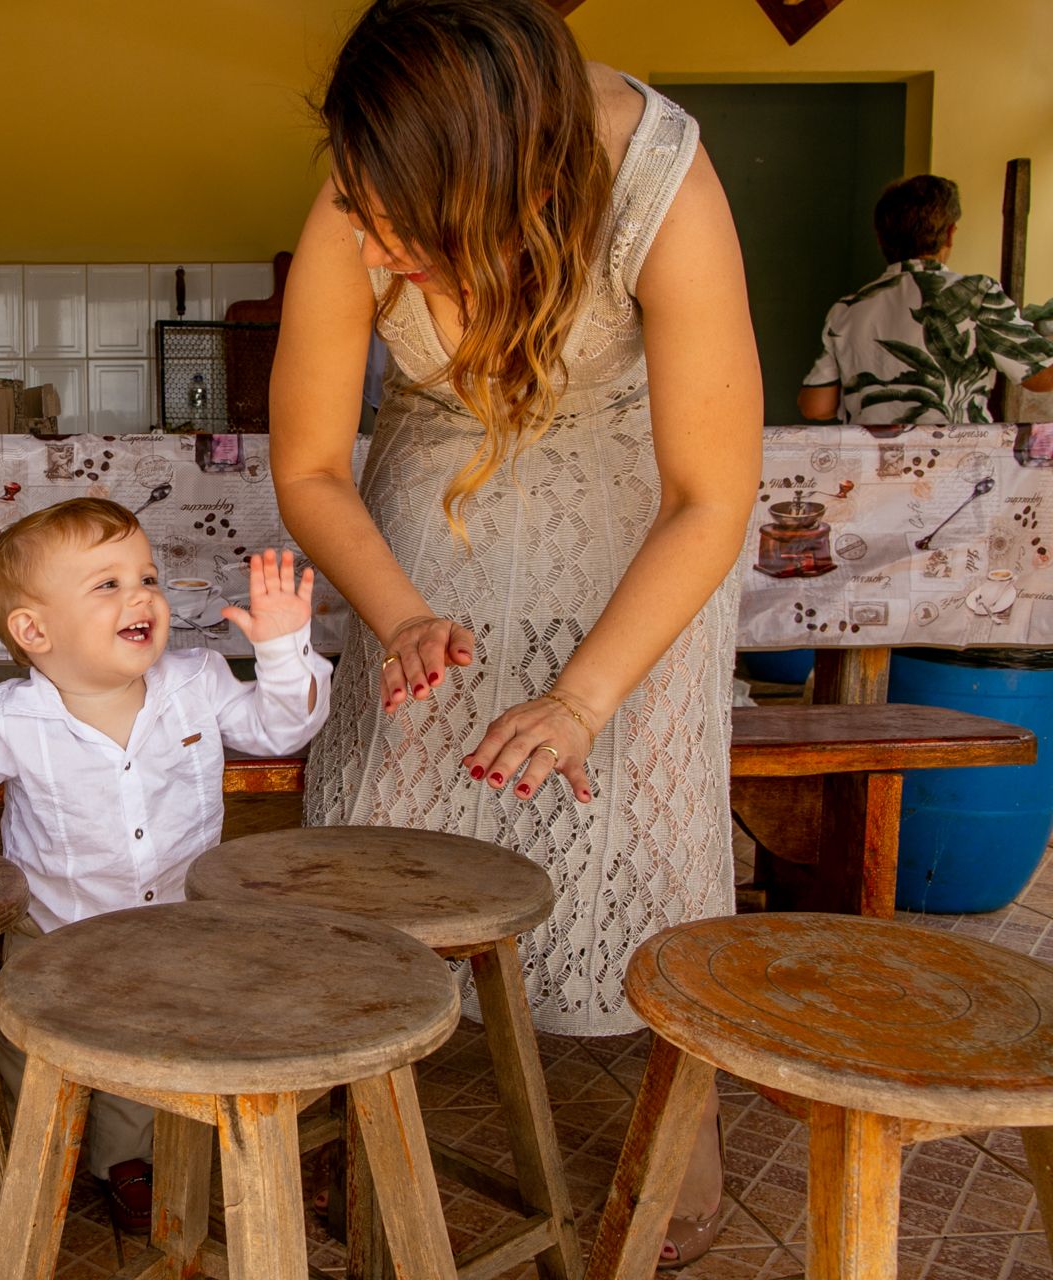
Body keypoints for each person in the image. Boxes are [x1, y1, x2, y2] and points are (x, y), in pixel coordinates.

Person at [268, 0, 761, 1268]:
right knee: (405, 778)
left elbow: (711, 495)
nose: (372, 238)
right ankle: (364, 1079)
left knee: (632, 802)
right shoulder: (359, 192)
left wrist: (587, 697)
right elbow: (314, 463)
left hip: (641, 522)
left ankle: (676, 1125)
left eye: (402, 225)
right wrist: (403, 612)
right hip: (431, 515)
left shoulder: (658, 173)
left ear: (499, 175)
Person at [0, 497, 331, 1232]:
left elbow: (280, 729)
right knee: (33, 1063)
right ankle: (36, 1159)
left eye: (146, 576)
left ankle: (130, 1164)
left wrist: (283, 650)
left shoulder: (197, 682)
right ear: (34, 630)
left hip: (177, 929)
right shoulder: (9, 717)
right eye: (107, 585)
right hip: (55, 932)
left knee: (152, 1055)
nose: (141, 595)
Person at [798, 173, 1053, 426]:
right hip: (956, 460)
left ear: (880, 238)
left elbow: (816, 406)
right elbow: (1041, 376)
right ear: (951, 233)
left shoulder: (847, 310)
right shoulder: (976, 295)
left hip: (873, 463)